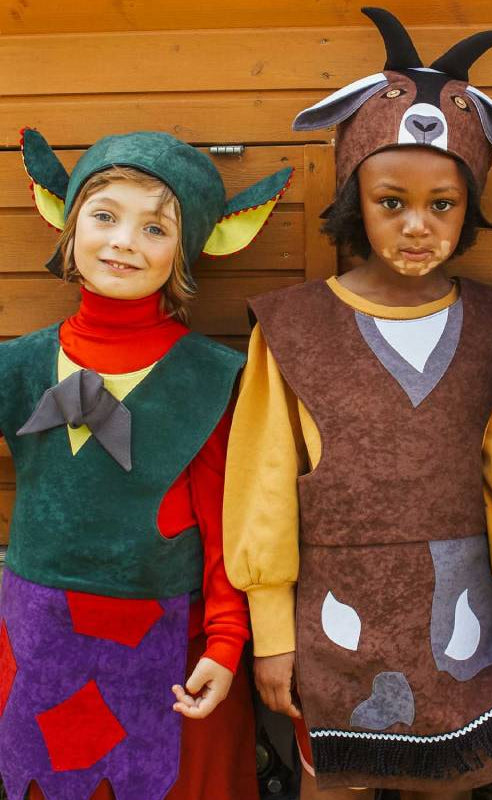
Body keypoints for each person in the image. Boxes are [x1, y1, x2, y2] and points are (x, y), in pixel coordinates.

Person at [224, 7, 492, 797]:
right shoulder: (293, 327)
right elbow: (264, 488)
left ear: (469, 205)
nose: (417, 226)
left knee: (451, 780)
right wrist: (271, 633)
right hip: (333, 620)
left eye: (442, 205)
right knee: (332, 783)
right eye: (391, 202)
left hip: (465, 619)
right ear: (354, 198)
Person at [0, 128, 292, 800]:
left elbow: (229, 521)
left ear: (186, 251)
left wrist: (225, 641)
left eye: (155, 228)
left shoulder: (209, 377)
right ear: (67, 227)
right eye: (104, 217)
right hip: (40, 639)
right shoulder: (17, 367)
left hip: (171, 649)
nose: (124, 241)